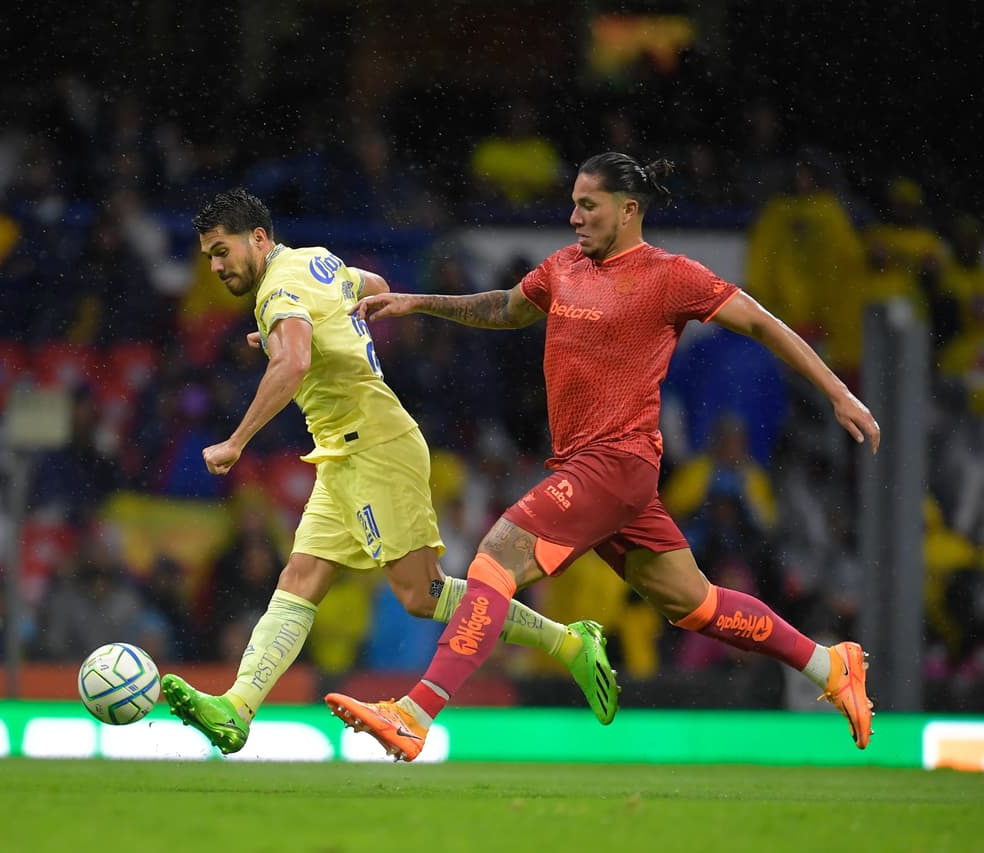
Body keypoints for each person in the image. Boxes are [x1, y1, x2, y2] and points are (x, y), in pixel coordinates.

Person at [329, 152, 881, 760]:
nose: (573, 218)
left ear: (628, 209)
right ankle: (828, 665)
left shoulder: (672, 276)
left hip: (615, 462)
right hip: (599, 473)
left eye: (587, 206)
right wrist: (416, 301)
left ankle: (415, 712)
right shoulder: (564, 267)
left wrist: (839, 393)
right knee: (695, 604)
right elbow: (508, 308)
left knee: (495, 559)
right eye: (572, 204)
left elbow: (764, 325)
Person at [159, 188, 617, 755]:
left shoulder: (278, 289)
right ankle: (237, 708)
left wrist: (235, 440)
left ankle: (568, 642)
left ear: (257, 238)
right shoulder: (313, 260)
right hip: (341, 453)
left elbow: (295, 361)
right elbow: (370, 288)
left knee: (421, 594)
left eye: (222, 251)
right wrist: (301, 329)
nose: (216, 266)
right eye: (207, 257)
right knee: (299, 578)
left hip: (376, 447)